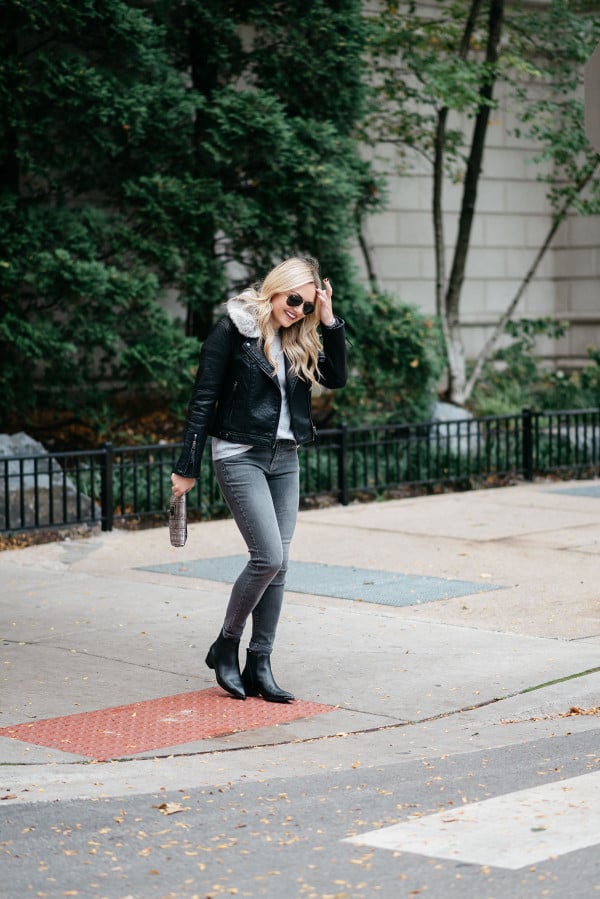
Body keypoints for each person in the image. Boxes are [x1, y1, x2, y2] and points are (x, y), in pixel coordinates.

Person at [170, 256, 347, 702]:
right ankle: (226, 644)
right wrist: (186, 466)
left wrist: (328, 321)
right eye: (294, 300)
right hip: (239, 454)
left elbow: (337, 378)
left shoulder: (300, 334)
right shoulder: (234, 328)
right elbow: (204, 396)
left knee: (281, 565)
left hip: (285, 457)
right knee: (267, 557)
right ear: (276, 288)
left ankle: (260, 663)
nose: (297, 310)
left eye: (306, 305)